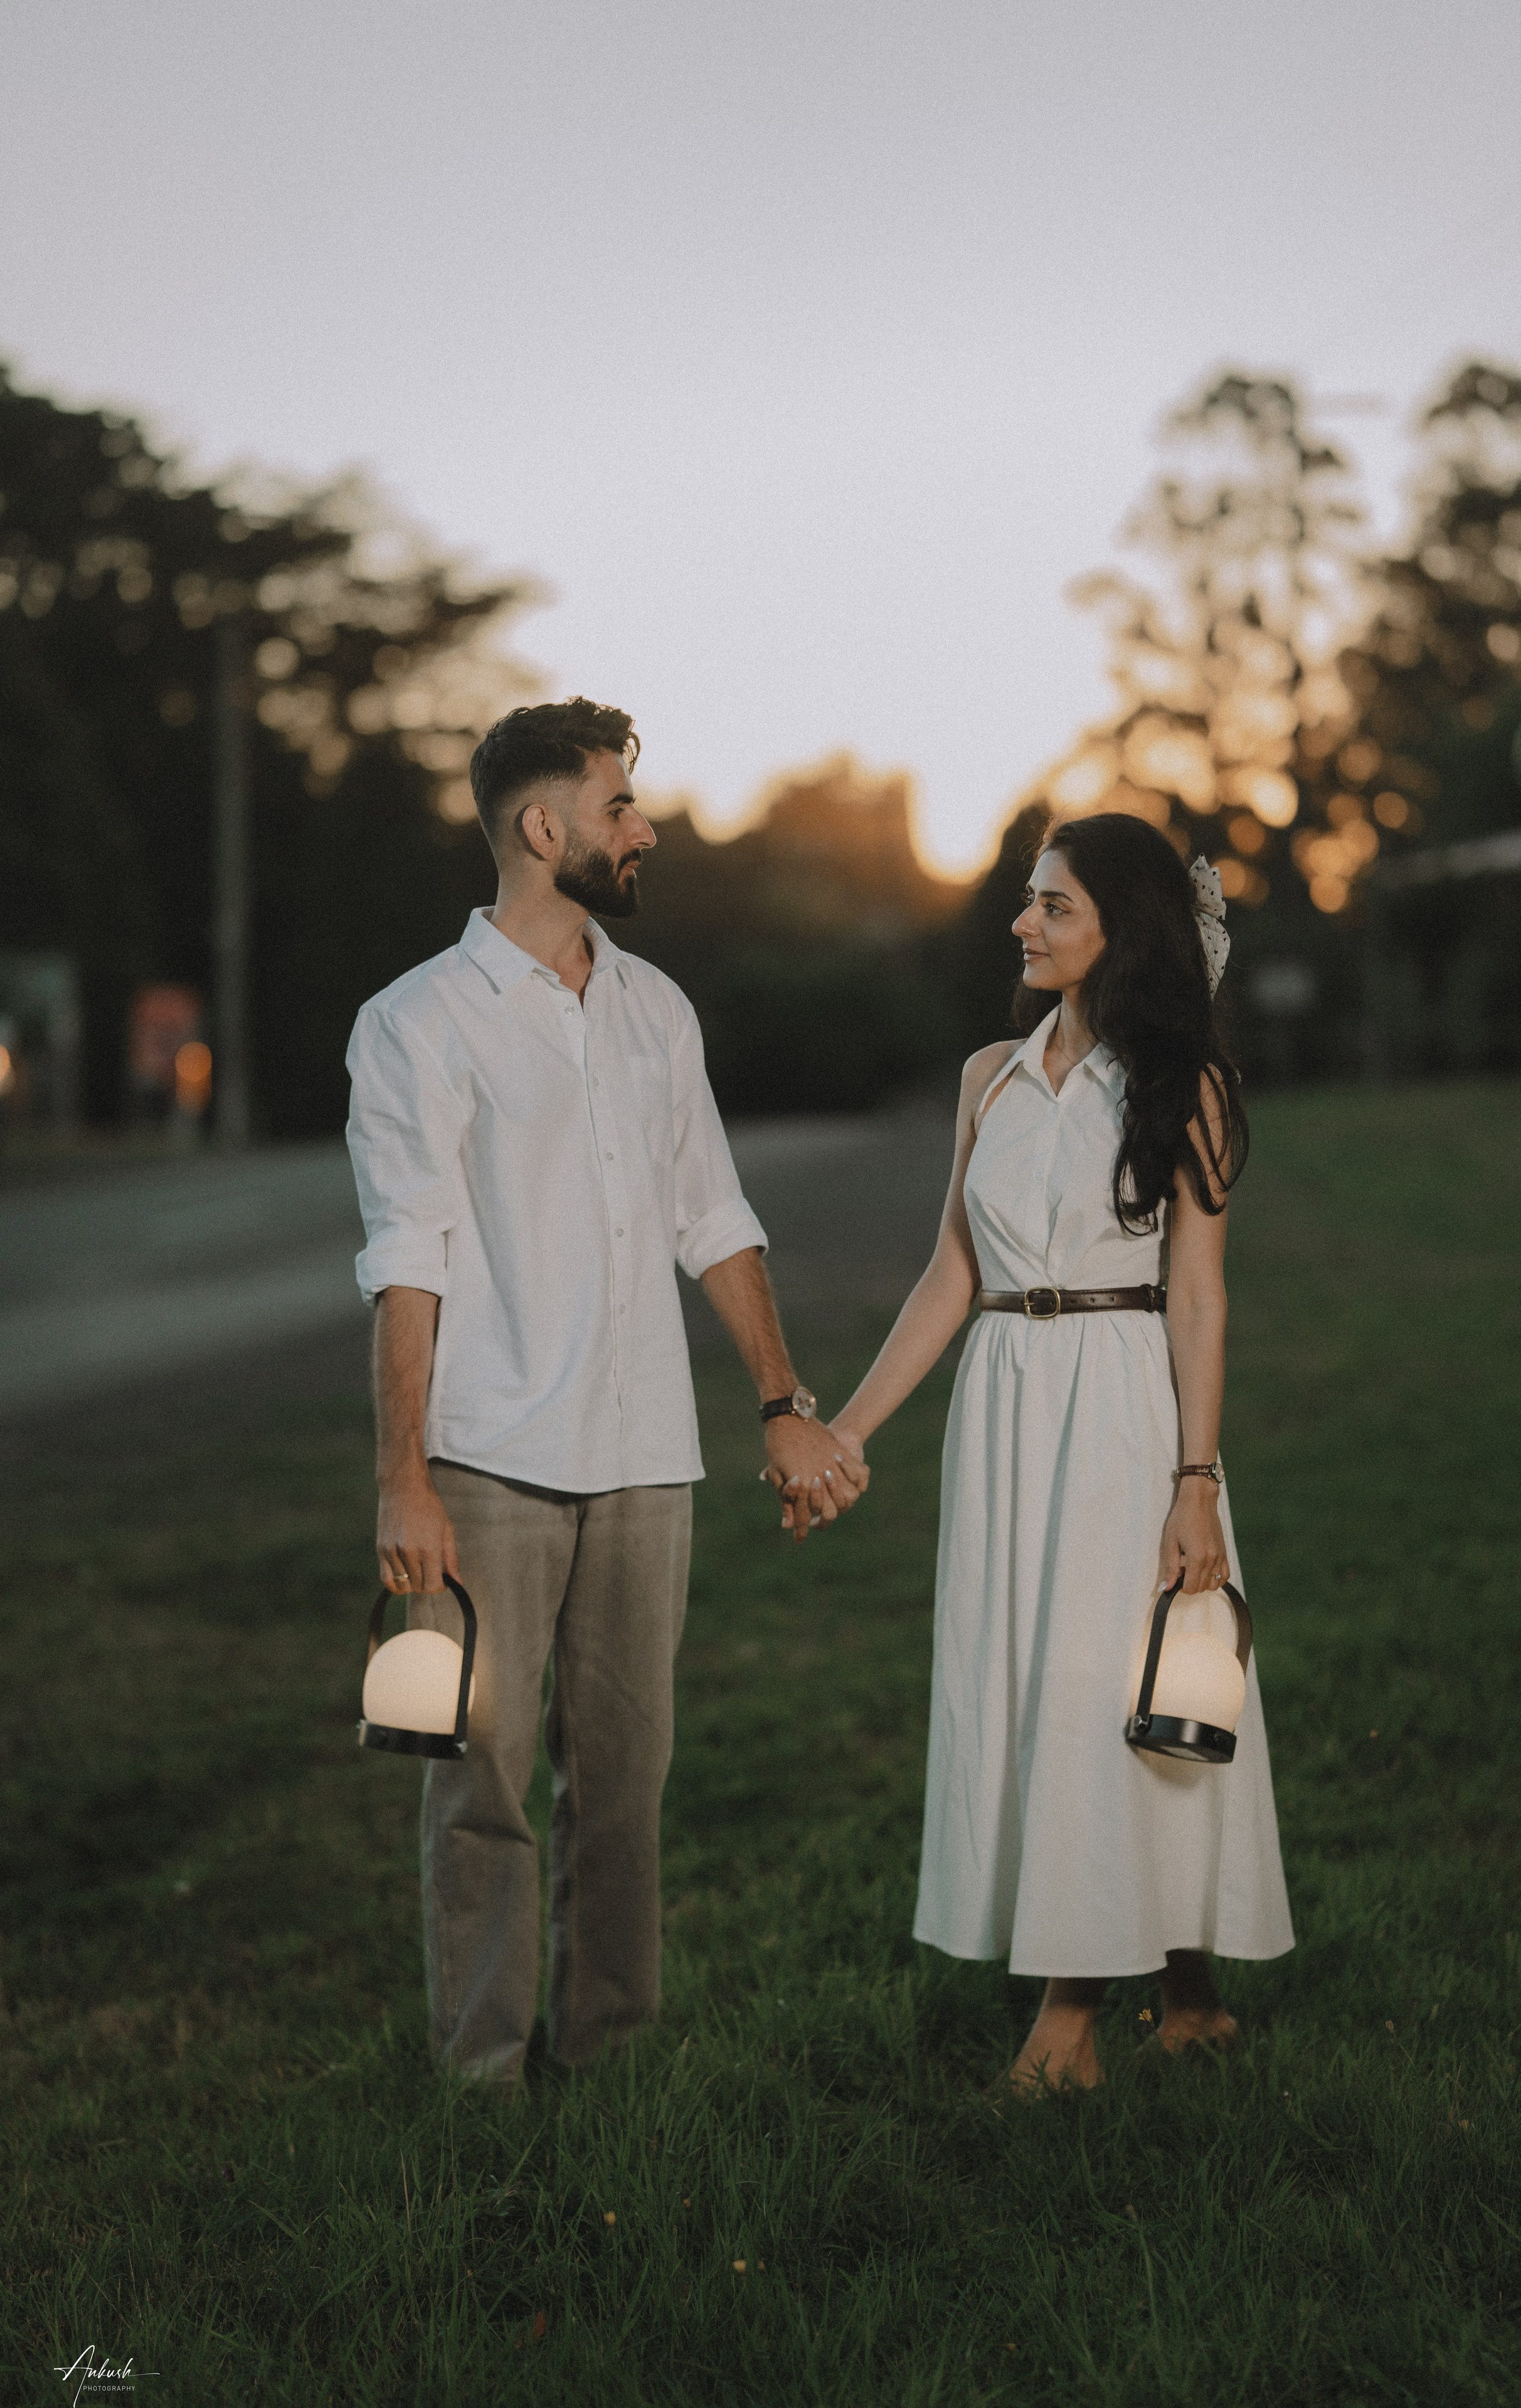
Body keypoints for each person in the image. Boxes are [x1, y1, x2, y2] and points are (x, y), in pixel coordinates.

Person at [345, 697, 864, 2092]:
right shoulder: (415, 1025)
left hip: (646, 1461)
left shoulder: (655, 1010)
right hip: (489, 1464)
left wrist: (779, 1399)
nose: (643, 828)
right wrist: (404, 1478)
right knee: (483, 1792)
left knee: (624, 1795)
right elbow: (408, 1260)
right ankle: (483, 2088)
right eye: (618, 807)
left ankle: (613, 2076)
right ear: (541, 828)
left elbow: (715, 1214)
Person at [826, 811, 1293, 2092]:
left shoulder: (1180, 1087)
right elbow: (947, 1278)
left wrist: (1194, 1482)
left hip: (1122, 1409)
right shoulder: (988, 1075)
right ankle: (1185, 1986)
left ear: (1118, 932)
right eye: (1027, 902)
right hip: (1005, 1403)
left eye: (1052, 907)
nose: (1021, 924)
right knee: (1037, 1687)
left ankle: (1069, 2018)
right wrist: (845, 1434)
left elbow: (1195, 1297)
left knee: (1117, 1686)